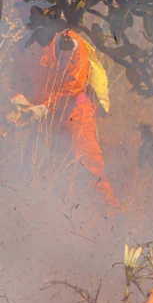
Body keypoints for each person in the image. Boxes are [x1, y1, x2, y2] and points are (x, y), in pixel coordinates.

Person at [5, 29, 118, 210]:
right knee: (33, 170)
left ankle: (113, 222)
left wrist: (45, 107)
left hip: (75, 115)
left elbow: (75, 83)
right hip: (44, 119)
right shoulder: (24, 41)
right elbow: (18, 78)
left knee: (89, 171)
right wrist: (18, 99)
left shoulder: (68, 41)